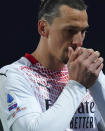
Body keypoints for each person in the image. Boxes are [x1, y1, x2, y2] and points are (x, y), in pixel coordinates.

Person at [0, 0, 105, 130]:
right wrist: (77, 86)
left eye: (83, 31)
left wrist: (97, 84)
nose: (78, 42)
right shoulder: (14, 75)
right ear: (43, 28)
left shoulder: (88, 72)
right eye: (70, 30)